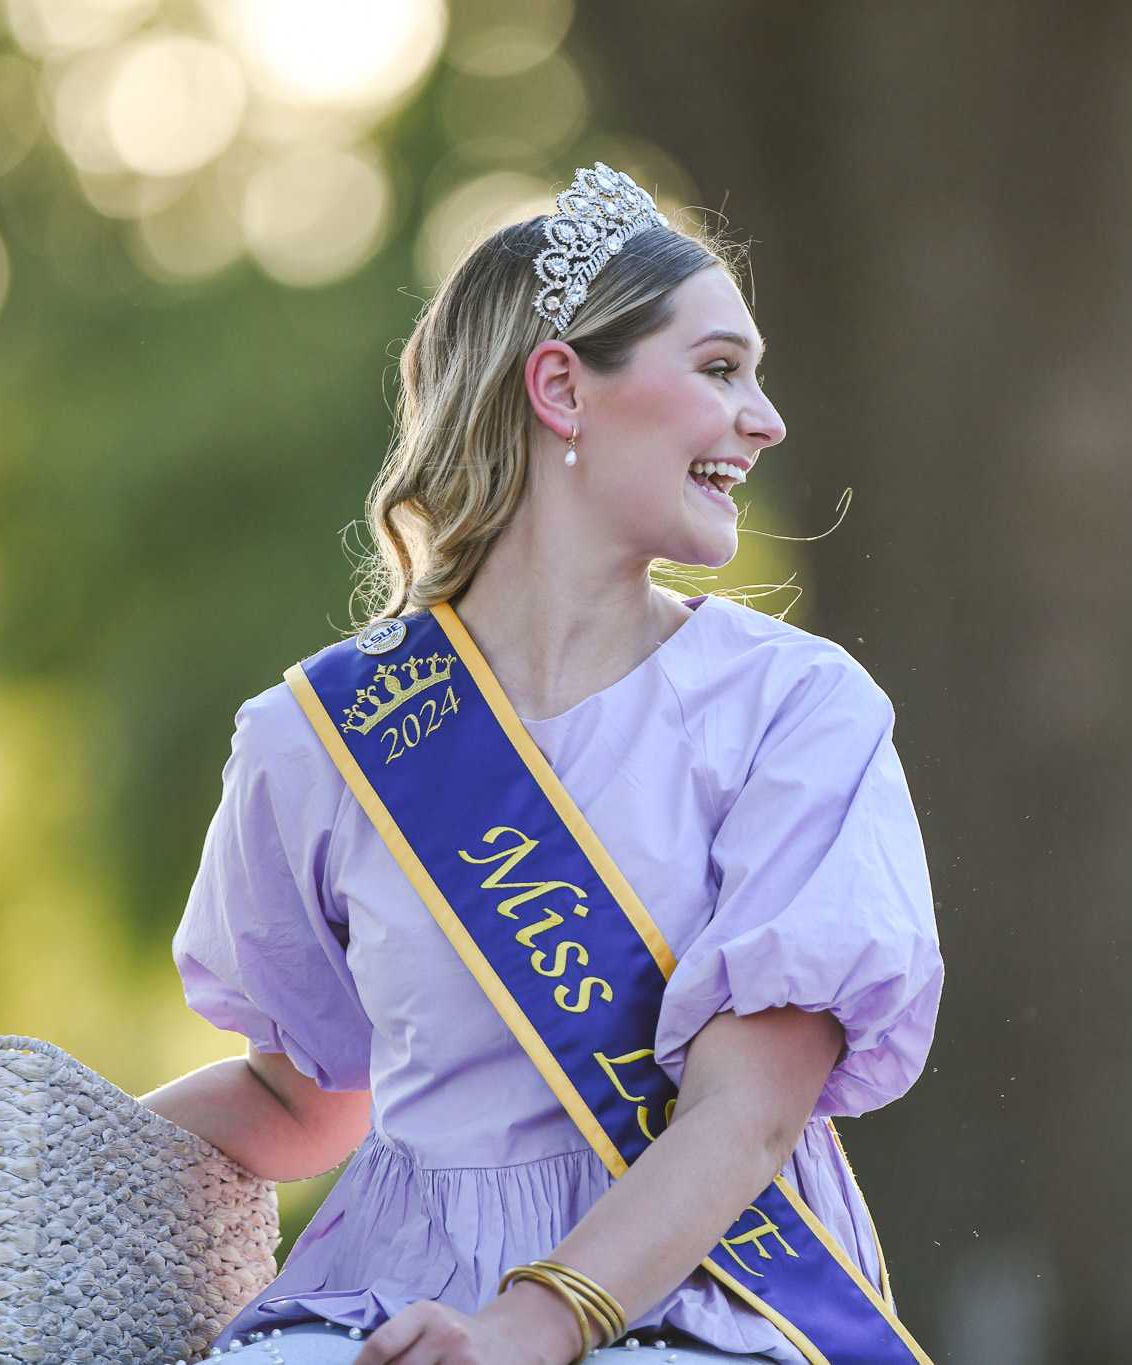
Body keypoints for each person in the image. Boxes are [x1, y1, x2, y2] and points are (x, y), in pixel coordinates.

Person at [139, 162, 945, 1365]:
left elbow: (749, 1110)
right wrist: (4, 1140)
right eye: (720, 369)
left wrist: (529, 1326)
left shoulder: (795, 711)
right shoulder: (316, 738)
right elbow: (300, 1097)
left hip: (702, 1299)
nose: (766, 419)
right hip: (390, 1293)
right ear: (561, 388)